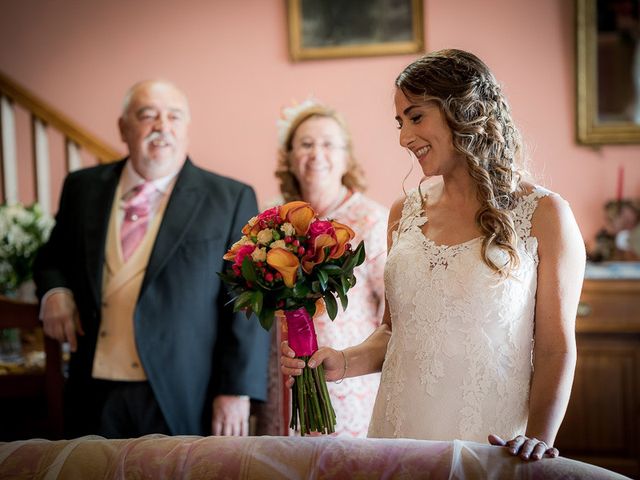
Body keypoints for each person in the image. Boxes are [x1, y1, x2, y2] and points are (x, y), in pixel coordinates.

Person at [281, 49, 586, 461]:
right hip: (398, 434)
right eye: (400, 121)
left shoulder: (545, 215)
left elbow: (555, 349)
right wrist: (342, 362)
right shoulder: (402, 213)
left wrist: (539, 438)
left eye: (416, 116)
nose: (404, 138)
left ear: (463, 110)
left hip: (491, 441)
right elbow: (394, 331)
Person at [34, 79, 270, 438]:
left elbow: (246, 302)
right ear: (123, 128)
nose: (162, 126)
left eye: (174, 116)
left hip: (184, 393)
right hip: (93, 390)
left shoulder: (230, 197)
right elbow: (52, 257)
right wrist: (55, 292)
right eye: (148, 115)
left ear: (187, 129)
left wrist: (236, 389)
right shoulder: (82, 188)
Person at [262, 101, 388, 437]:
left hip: (349, 382)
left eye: (328, 144)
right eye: (305, 144)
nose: (317, 153)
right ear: (289, 157)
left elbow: (393, 312)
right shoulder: (271, 224)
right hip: (284, 378)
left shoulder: (373, 221)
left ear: (346, 157)